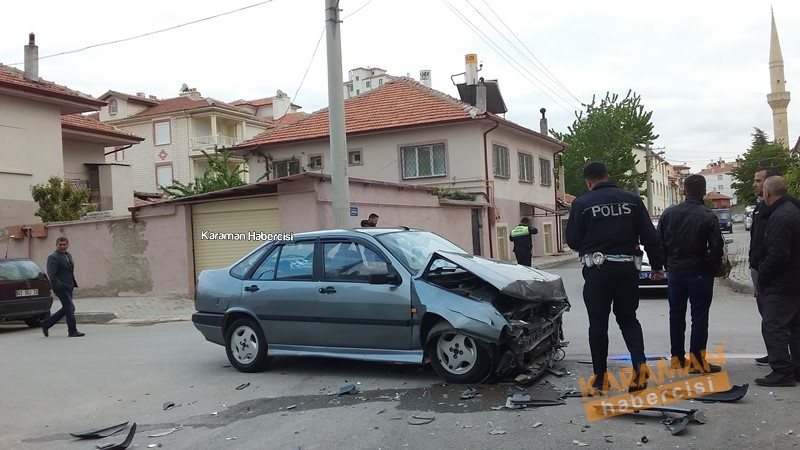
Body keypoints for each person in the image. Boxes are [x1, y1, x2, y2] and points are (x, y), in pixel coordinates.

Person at [565, 161, 665, 394]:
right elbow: (650, 236)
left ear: (588, 182)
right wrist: (658, 266)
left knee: (598, 324)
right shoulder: (632, 200)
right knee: (628, 319)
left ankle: (601, 379)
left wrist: (591, 242)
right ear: (608, 176)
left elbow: (573, 240)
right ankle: (639, 365)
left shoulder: (581, 203)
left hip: (597, 270)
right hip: (627, 269)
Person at [658, 175, 724, 373]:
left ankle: (677, 358)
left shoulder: (668, 214)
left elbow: (659, 243)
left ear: (684, 191)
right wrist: (712, 268)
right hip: (699, 272)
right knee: (700, 317)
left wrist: (667, 264)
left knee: (676, 315)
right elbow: (716, 247)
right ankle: (697, 362)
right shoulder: (707, 215)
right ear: (704, 192)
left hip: (676, 271)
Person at [748, 167, 800, 365]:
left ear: (769, 187)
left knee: (774, 323)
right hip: (772, 272)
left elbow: (779, 253)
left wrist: (764, 273)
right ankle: (784, 359)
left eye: (758, 181)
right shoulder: (764, 207)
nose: (755, 185)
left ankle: (782, 367)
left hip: (780, 277)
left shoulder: (784, 211)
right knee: (775, 319)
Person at [41, 236, 84, 337]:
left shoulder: (68, 255)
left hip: (69, 286)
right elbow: (52, 274)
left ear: (67, 245)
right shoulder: (53, 257)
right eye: (60, 244)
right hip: (61, 287)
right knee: (69, 308)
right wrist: (59, 285)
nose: (62, 246)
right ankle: (72, 331)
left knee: (68, 308)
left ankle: (46, 324)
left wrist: (72, 283)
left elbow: (69, 271)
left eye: (64, 244)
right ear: (56, 245)